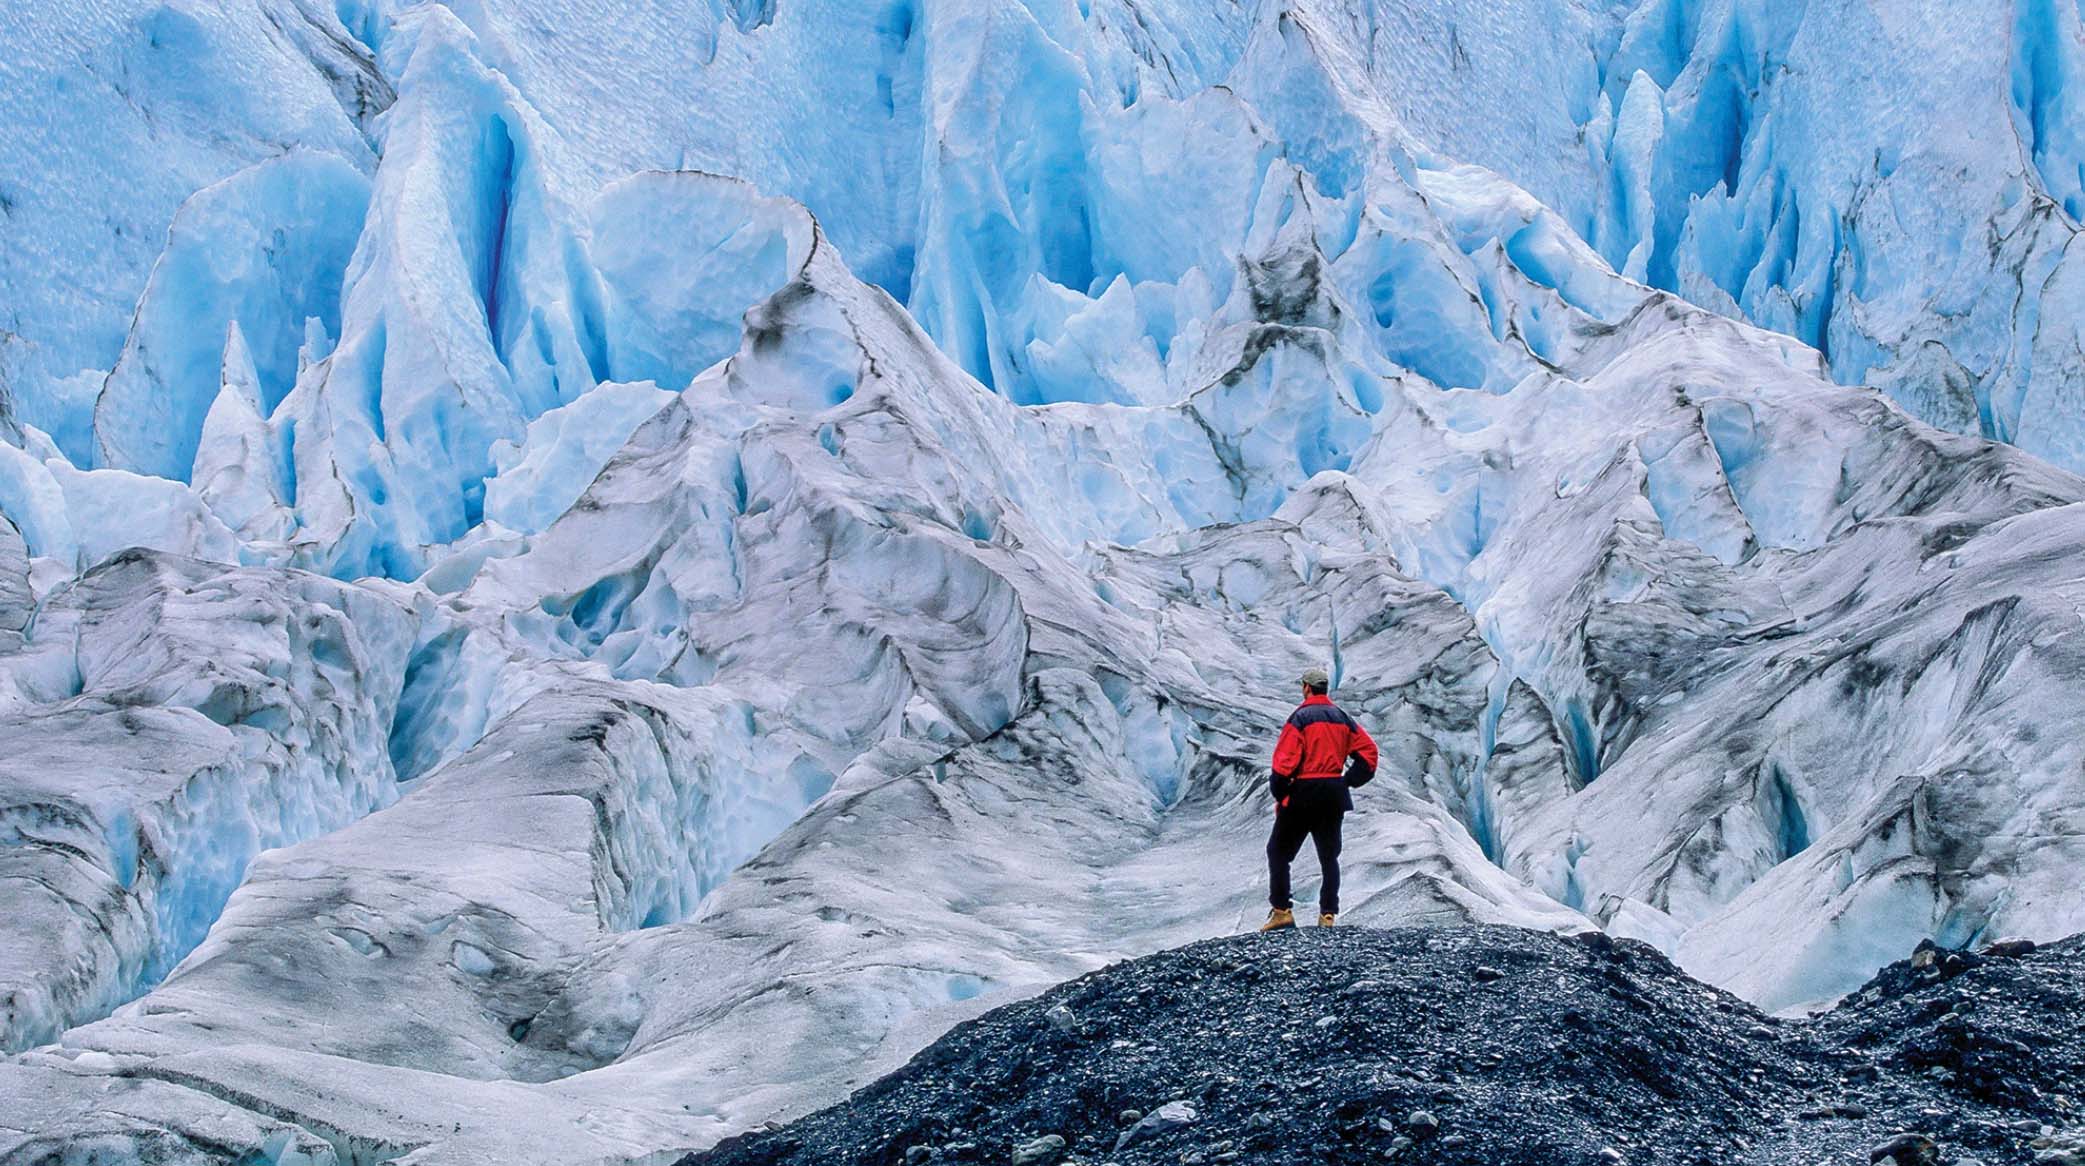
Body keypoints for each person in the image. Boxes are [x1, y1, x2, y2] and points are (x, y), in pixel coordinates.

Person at [1260, 666, 1378, 931]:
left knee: (1278, 852)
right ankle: (1327, 916)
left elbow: (1283, 764)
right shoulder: (1342, 718)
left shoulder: (1300, 718)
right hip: (1333, 795)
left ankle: (1281, 911)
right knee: (1329, 857)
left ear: (1306, 688)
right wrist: (1347, 781)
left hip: (1302, 794)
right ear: (1326, 688)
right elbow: (1369, 753)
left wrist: (1281, 792)